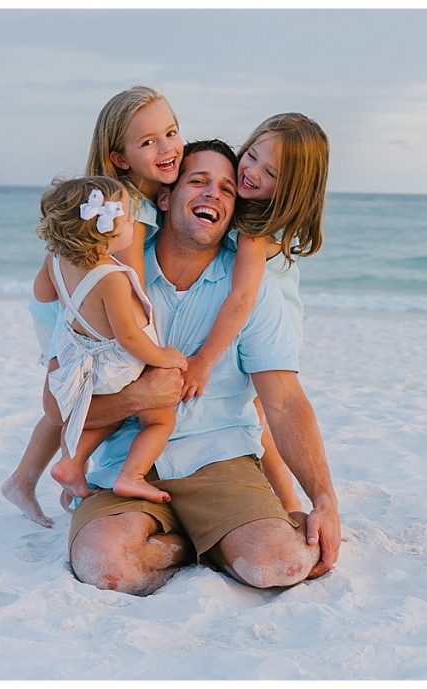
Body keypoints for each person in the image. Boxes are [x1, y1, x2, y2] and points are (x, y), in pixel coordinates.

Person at [48, 140, 340, 595]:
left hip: (219, 460)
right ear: (165, 197)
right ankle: (190, 541)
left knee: (279, 565)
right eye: (198, 181)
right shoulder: (109, 278)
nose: (213, 194)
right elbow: (55, 407)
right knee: (105, 566)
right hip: (124, 466)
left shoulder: (251, 290)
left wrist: (324, 499)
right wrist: (136, 399)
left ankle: (215, 531)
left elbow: (282, 400)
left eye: (226, 189)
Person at [2, 86, 184, 527]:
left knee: (68, 395)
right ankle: (43, 476)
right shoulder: (127, 210)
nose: (167, 148)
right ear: (119, 157)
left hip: (63, 304)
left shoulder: (105, 195)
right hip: (76, 315)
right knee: (67, 399)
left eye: (171, 132)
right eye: (148, 142)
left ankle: (33, 478)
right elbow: (131, 285)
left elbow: (49, 276)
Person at [180, 113, 329, 513]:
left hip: (270, 313)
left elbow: (244, 296)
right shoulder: (247, 205)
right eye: (252, 155)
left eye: (271, 173)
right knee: (256, 417)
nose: (252, 172)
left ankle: (291, 504)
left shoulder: (256, 228)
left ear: (292, 188)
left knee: (261, 419)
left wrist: (203, 361)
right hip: (259, 306)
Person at [33, 176, 187, 504]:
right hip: (111, 364)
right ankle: (131, 476)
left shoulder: (57, 259)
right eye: (129, 216)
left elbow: (42, 293)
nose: (133, 221)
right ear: (106, 229)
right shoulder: (111, 279)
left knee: (106, 417)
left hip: (77, 352)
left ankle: (71, 463)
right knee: (161, 418)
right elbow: (129, 338)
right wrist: (163, 357)